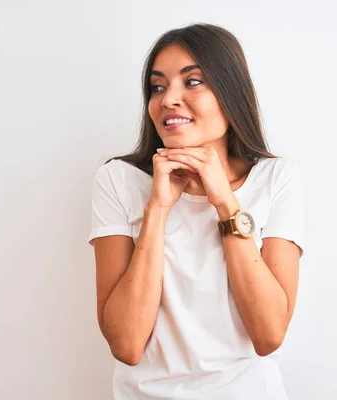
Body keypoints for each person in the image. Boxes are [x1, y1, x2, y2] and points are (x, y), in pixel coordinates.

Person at [88, 23, 306, 400]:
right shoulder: (117, 180)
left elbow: (269, 335)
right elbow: (126, 344)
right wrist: (158, 209)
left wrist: (225, 202)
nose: (169, 99)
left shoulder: (276, 178)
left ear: (230, 92)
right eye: (158, 86)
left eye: (192, 82)